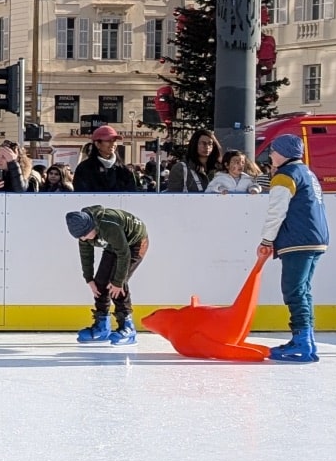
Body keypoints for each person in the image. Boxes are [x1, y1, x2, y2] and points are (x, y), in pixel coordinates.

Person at [258, 133, 330, 363]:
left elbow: (276, 211)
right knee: (303, 290)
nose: (271, 155)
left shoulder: (285, 176)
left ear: (283, 153)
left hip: (298, 240)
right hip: (316, 237)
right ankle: (306, 339)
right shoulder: (307, 173)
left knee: (293, 290)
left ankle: (302, 341)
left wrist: (267, 240)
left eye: (273, 151)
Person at [67, 206, 148, 345]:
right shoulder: (83, 231)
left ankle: (128, 327)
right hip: (114, 244)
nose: (84, 239)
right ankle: (102, 326)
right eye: (80, 237)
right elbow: (86, 255)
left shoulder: (109, 226)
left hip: (135, 243)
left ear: (92, 226)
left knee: (117, 285)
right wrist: (89, 278)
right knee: (100, 283)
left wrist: (118, 281)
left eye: (85, 235)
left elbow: (124, 254)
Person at [74, 125, 141, 192]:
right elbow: (80, 194)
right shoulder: (84, 169)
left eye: (114, 141)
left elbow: (131, 193)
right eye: (108, 141)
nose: (113, 144)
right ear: (97, 144)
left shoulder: (124, 170)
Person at [165, 128, 222, 193]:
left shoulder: (220, 168)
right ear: (194, 144)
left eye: (210, 143)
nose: (207, 147)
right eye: (203, 143)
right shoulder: (180, 168)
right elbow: (173, 196)